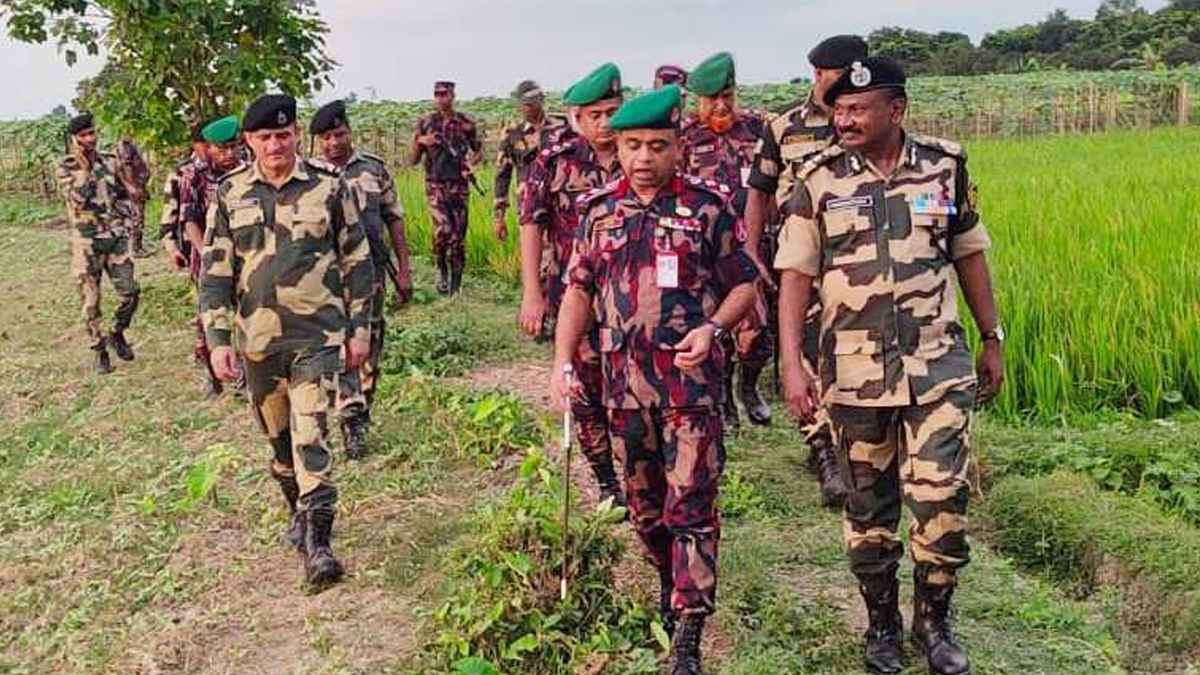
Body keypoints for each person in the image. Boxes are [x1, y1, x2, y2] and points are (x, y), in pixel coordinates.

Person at [776, 57, 1004, 675]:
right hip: (852, 375)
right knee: (868, 511)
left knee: (941, 501)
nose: (843, 120)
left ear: (895, 110)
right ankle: (881, 624)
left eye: (857, 110)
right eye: (838, 110)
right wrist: (791, 363)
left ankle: (936, 621)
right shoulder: (816, 178)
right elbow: (794, 275)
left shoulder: (944, 165)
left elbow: (969, 254)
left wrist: (992, 336)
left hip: (938, 366)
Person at [550, 85, 758, 675]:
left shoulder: (709, 207)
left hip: (690, 390)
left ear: (679, 146)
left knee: (691, 504)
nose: (644, 157)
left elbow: (745, 282)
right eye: (633, 144)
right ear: (615, 145)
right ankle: (669, 585)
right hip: (622, 390)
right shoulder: (597, 211)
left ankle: (689, 632)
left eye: (658, 146)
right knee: (646, 511)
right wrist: (563, 361)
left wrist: (715, 328)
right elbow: (580, 290)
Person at [199, 94, 374, 586]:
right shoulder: (229, 194)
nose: (275, 144)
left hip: (316, 338)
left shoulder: (329, 187)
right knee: (279, 447)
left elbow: (358, 263)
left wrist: (359, 331)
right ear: (249, 141)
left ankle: (319, 544)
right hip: (257, 343)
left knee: (311, 435)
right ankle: (297, 511)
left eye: (283, 134)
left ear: (296, 134)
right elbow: (214, 275)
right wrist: (217, 341)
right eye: (264, 137)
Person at [746, 34, 869, 506]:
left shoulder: (865, 119)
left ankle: (859, 442)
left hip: (858, 256)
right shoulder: (784, 127)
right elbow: (759, 192)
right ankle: (823, 452)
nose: (818, 82)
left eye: (827, 73)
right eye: (815, 73)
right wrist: (752, 251)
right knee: (807, 351)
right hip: (799, 259)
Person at [520, 63, 625, 507]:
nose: (605, 123)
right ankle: (607, 481)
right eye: (595, 114)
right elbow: (531, 223)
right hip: (574, 297)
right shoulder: (554, 160)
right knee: (583, 390)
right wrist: (532, 293)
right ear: (576, 117)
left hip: (629, 297)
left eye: (612, 112)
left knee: (632, 385)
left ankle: (642, 471)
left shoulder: (637, 152)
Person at [310, 99, 413, 458]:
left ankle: (361, 409)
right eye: (326, 137)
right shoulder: (310, 176)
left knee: (370, 343)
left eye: (339, 134)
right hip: (328, 278)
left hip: (370, 273)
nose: (334, 143)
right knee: (341, 347)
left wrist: (404, 269)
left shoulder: (373, 169)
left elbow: (394, 220)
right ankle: (351, 420)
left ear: (349, 131)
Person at [681, 51, 772, 432]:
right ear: (696, 100)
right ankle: (724, 402)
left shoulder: (758, 129)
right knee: (719, 327)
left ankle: (749, 389)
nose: (721, 106)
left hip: (756, 247)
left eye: (728, 96)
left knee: (758, 331)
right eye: (712, 99)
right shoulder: (684, 138)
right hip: (708, 253)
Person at [55, 112, 140, 374]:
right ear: (73, 139)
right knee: (91, 302)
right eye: (83, 136)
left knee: (131, 292)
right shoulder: (65, 166)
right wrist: (85, 169)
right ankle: (99, 349)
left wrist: (127, 221)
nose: (90, 139)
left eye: (92, 133)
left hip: (114, 239)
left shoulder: (110, 162)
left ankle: (117, 332)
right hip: (87, 243)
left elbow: (124, 194)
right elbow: (78, 200)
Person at [178, 114, 244, 397]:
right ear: (208, 148)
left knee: (245, 315)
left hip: (244, 259)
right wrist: (207, 254)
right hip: (208, 257)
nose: (229, 154)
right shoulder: (194, 176)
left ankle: (244, 376)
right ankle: (212, 373)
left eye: (233, 146)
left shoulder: (249, 172)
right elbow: (189, 218)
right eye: (222, 148)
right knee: (210, 317)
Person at [409, 80, 482, 295]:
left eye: (445, 94)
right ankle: (441, 270)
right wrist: (421, 142)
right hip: (435, 184)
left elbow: (478, 151)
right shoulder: (425, 123)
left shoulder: (466, 122)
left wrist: (471, 164)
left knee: (458, 237)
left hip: (459, 185)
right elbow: (412, 160)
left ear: (453, 95)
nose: (441, 98)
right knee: (442, 232)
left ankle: (455, 286)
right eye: (437, 94)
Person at [492, 79, 573, 242]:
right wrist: (499, 218)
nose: (528, 107)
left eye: (533, 102)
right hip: (529, 205)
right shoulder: (512, 134)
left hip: (564, 203)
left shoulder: (563, 126)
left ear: (542, 99)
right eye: (525, 104)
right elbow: (502, 175)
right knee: (534, 257)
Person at [114, 137, 152, 257]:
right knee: (136, 218)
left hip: (137, 186)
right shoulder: (124, 145)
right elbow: (126, 165)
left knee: (136, 218)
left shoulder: (131, 144)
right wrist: (133, 187)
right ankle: (135, 248)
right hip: (133, 188)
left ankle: (136, 247)